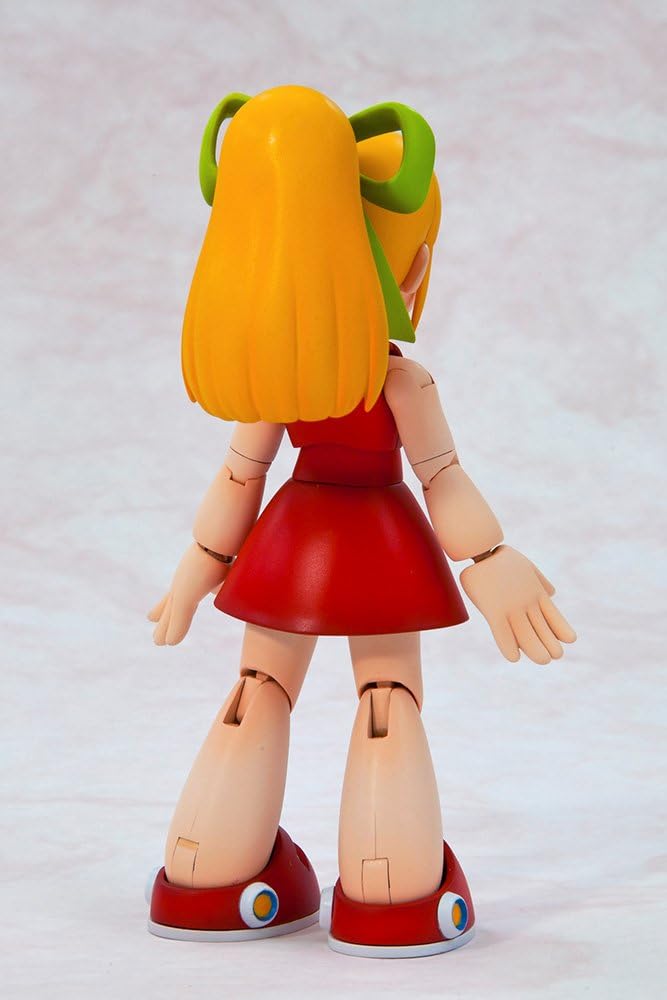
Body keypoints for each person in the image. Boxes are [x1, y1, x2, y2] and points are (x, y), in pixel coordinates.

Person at [146, 85, 576, 957]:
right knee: (386, 701)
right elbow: (441, 475)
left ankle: (208, 876)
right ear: (411, 272)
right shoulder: (401, 383)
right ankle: (392, 895)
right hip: (380, 544)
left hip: (289, 541)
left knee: (256, 691)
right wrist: (487, 556)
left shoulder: (280, 386)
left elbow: (239, 475)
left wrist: (200, 561)